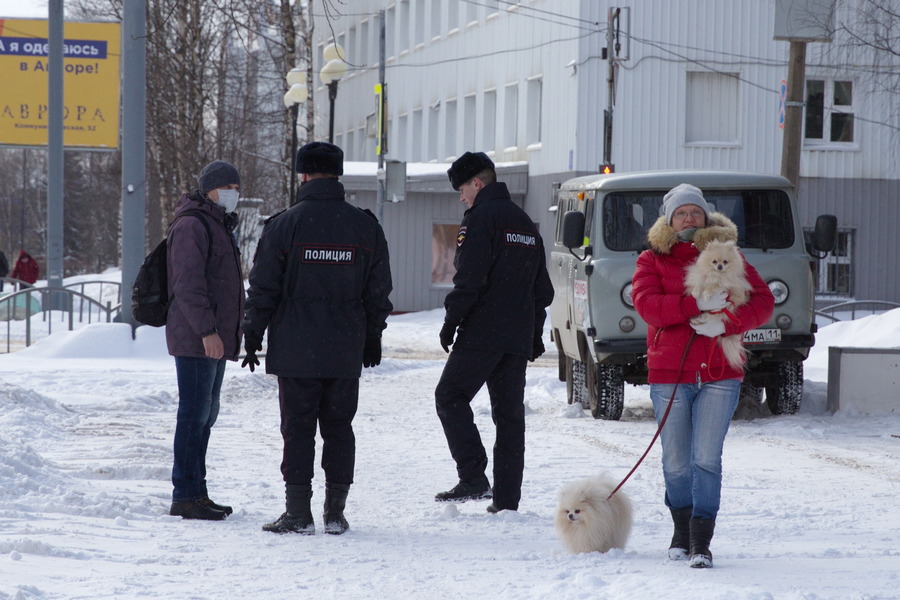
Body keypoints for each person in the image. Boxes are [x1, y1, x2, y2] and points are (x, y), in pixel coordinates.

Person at [242, 141, 393, 535]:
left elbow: (263, 287)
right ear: (337, 174)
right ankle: (336, 513)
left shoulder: (284, 224)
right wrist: (372, 336)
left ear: (303, 175)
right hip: (344, 350)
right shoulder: (365, 226)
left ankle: (298, 512)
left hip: (296, 349)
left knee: (298, 428)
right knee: (339, 428)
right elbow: (379, 290)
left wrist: (253, 331)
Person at [631, 183, 774, 568]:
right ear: (670, 220)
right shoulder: (651, 259)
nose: (689, 218)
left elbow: (763, 301)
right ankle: (680, 531)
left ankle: (700, 542)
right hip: (670, 374)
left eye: (695, 212)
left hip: (719, 373)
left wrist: (728, 323)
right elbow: (647, 305)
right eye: (682, 213)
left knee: (706, 459)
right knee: (676, 461)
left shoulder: (728, 254)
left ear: (706, 217)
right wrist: (693, 303)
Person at [433, 151, 554, 514]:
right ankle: (506, 500)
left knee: (450, 396)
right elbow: (541, 289)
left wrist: (451, 322)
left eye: (462, 189)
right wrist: (532, 334)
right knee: (510, 418)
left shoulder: (480, 219)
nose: (461, 197)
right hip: (515, 336)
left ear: (477, 183)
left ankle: (473, 476)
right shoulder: (525, 223)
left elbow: (469, 279)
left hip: (483, 331)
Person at [165, 160, 245, 521]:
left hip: (212, 337)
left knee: (205, 415)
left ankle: (197, 491)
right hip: (198, 337)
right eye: (227, 186)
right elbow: (188, 284)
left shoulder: (216, 224)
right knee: (194, 415)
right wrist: (207, 331)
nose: (234, 193)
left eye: (237, 187)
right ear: (210, 188)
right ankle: (185, 493)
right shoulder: (192, 224)